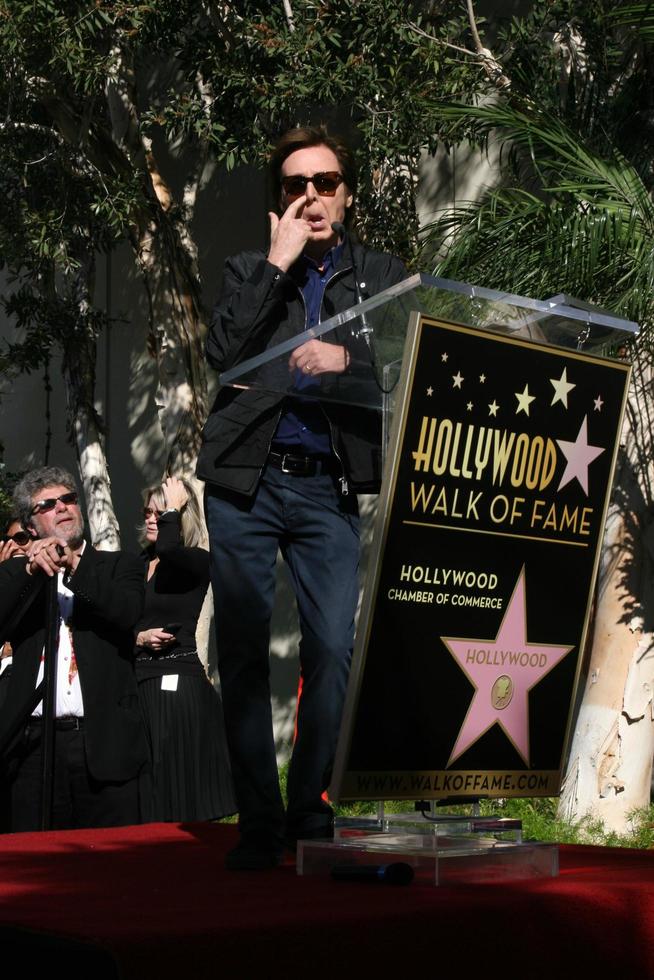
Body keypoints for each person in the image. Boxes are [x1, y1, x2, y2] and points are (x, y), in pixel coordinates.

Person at [197, 125, 406, 869]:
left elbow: (404, 368)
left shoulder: (382, 274)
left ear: (347, 193)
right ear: (279, 200)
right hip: (244, 486)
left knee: (334, 650)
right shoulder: (249, 267)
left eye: (324, 182)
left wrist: (346, 359)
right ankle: (259, 825)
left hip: (327, 489)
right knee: (243, 654)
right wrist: (276, 268)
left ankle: (307, 806)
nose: (310, 196)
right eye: (295, 186)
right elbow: (225, 356)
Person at [0, 466, 148, 831]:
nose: (62, 507)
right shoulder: (17, 575)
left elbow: (125, 612)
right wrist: (31, 571)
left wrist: (75, 566)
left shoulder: (120, 565)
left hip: (100, 744)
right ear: (31, 526)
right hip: (32, 748)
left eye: (68, 499)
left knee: (109, 868)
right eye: (48, 504)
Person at [134, 475, 235, 822]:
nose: (151, 518)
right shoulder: (135, 565)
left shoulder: (197, 560)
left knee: (182, 796)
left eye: (159, 512)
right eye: (148, 511)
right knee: (147, 798)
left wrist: (175, 506)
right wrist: (138, 637)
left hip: (179, 685)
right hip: (138, 686)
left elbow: (168, 549)